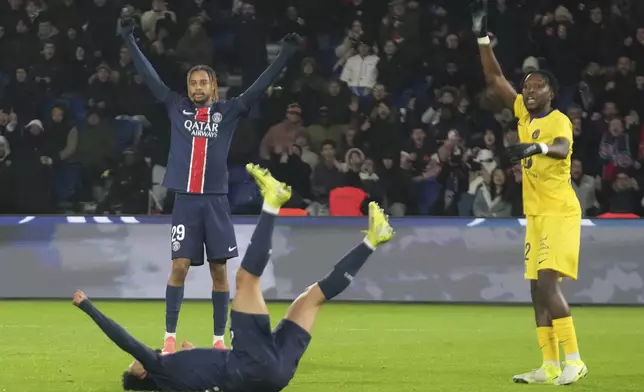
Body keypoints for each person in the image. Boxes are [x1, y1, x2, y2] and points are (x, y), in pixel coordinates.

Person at [72, 163, 394, 392]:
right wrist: (87, 306)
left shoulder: (176, 377)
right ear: (142, 376)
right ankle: (272, 201)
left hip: (272, 376)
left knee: (312, 298)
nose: (140, 358)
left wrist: (197, 352)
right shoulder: (159, 369)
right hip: (251, 365)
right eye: (134, 365)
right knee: (245, 280)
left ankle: (372, 239)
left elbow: (210, 376)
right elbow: (123, 339)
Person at [118, 13, 304, 353]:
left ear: (213, 87)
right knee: (179, 267)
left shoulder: (229, 110)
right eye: (193, 83)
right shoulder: (175, 106)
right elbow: (149, 77)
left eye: (203, 83)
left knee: (220, 273)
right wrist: (130, 40)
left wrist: (285, 56)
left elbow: (259, 87)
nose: (197, 88)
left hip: (216, 201)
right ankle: (170, 337)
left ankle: (219, 340)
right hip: (186, 201)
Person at [470, 0, 587, 385]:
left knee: (549, 285)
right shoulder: (523, 113)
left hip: (560, 213)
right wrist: (482, 38)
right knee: (537, 291)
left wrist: (535, 148)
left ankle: (574, 359)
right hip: (536, 216)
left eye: (538, 86)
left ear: (551, 92)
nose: (529, 90)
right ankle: (549, 366)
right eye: (527, 86)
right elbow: (494, 80)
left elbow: (560, 149)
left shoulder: (559, 120)